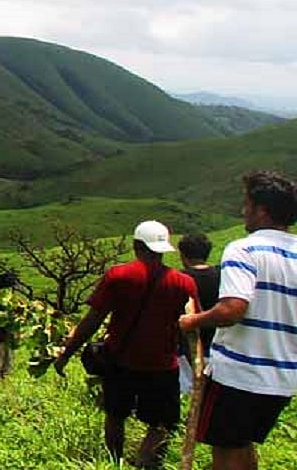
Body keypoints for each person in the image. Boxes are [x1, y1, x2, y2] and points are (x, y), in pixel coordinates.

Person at [54, 220, 198, 469]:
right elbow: (189, 327)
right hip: (163, 364)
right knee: (163, 422)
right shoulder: (183, 283)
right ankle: (146, 462)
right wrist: (196, 364)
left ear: (135, 245)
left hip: (121, 361)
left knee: (115, 415)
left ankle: (115, 462)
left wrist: (67, 353)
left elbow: (93, 319)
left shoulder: (119, 276)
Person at [179, 170, 297, 470]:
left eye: (246, 204)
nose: (242, 211)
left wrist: (192, 321)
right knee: (243, 445)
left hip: (240, 374)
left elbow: (232, 309)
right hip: (282, 380)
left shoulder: (243, 249)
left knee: (227, 452)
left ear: (261, 210)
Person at [177, 232, 220, 394]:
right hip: (217, 346)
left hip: (186, 349)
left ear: (183, 254)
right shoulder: (220, 275)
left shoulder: (180, 278)